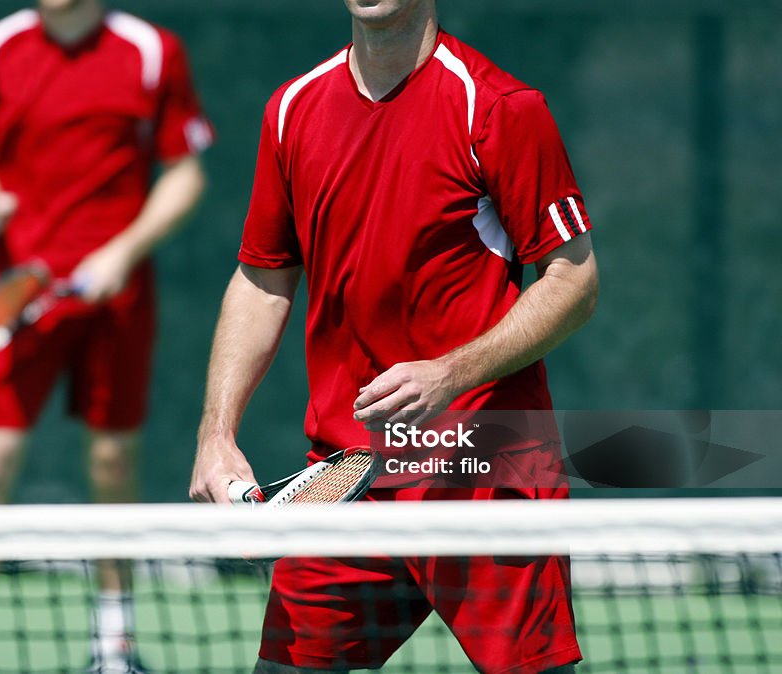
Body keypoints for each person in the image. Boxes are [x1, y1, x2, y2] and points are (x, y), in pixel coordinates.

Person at [190, 1, 598, 673]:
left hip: (484, 478)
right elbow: (263, 281)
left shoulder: (498, 108)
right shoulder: (292, 109)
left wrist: (449, 374)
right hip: (347, 482)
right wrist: (216, 433)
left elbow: (574, 282)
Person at [0, 0, 212, 671]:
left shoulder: (152, 51)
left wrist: (125, 250)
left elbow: (185, 173)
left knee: (113, 465)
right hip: (16, 296)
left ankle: (114, 645)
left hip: (117, 297)